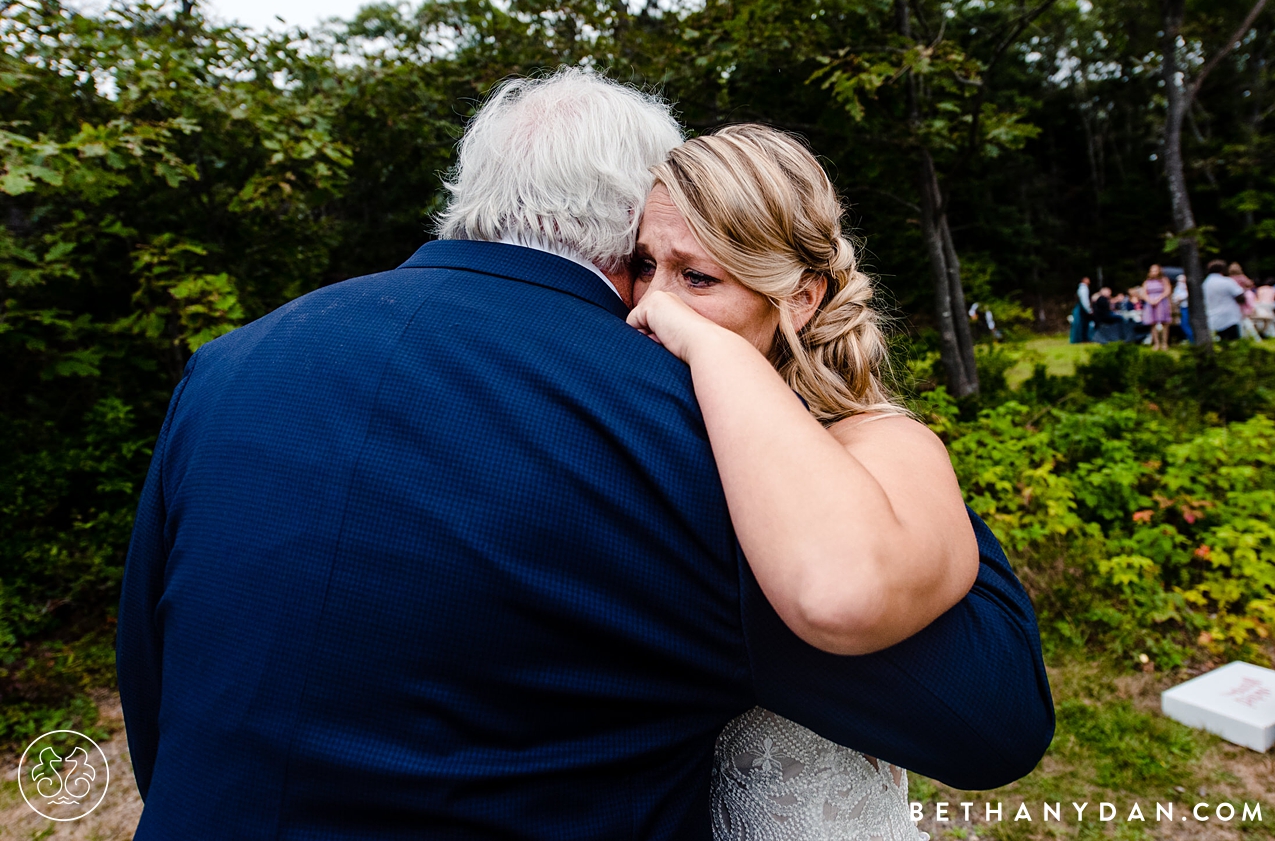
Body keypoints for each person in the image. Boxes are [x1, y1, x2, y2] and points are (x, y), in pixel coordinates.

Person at [116, 70, 1054, 840]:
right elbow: (985, 716)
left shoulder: (230, 366)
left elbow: (153, 696)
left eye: (699, 272)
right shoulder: (687, 429)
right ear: (637, 222)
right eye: (660, 263)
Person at [624, 125, 1023, 838]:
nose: (646, 306)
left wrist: (709, 346)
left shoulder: (881, 442)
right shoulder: (648, 437)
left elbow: (841, 591)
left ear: (801, 299)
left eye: (697, 276)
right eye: (643, 264)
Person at [1203, 259, 1247, 341]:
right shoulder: (1227, 281)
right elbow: (1241, 296)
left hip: (1212, 317)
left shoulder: (1205, 284)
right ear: (1223, 270)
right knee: (1233, 342)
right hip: (1229, 318)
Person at [1141, 264, 1173, 350]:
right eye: (1152, 270)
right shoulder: (1147, 282)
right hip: (1151, 303)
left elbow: (1167, 290)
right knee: (1153, 324)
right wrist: (1149, 300)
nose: (1153, 272)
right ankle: (1156, 343)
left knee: (1164, 323)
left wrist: (1159, 299)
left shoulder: (1164, 280)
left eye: (1155, 270)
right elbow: (1143, 293)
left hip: (1161, 302)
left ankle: (1164, 343)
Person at [1070, 276, 1092, 343]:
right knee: (1080, 323)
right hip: (1081, 309)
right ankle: (1080, 339)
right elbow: (1084, 300)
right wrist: (1088, 309)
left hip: (1080, 307)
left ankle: (1079, 339)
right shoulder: (1083, 289)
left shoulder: (1081, 288)